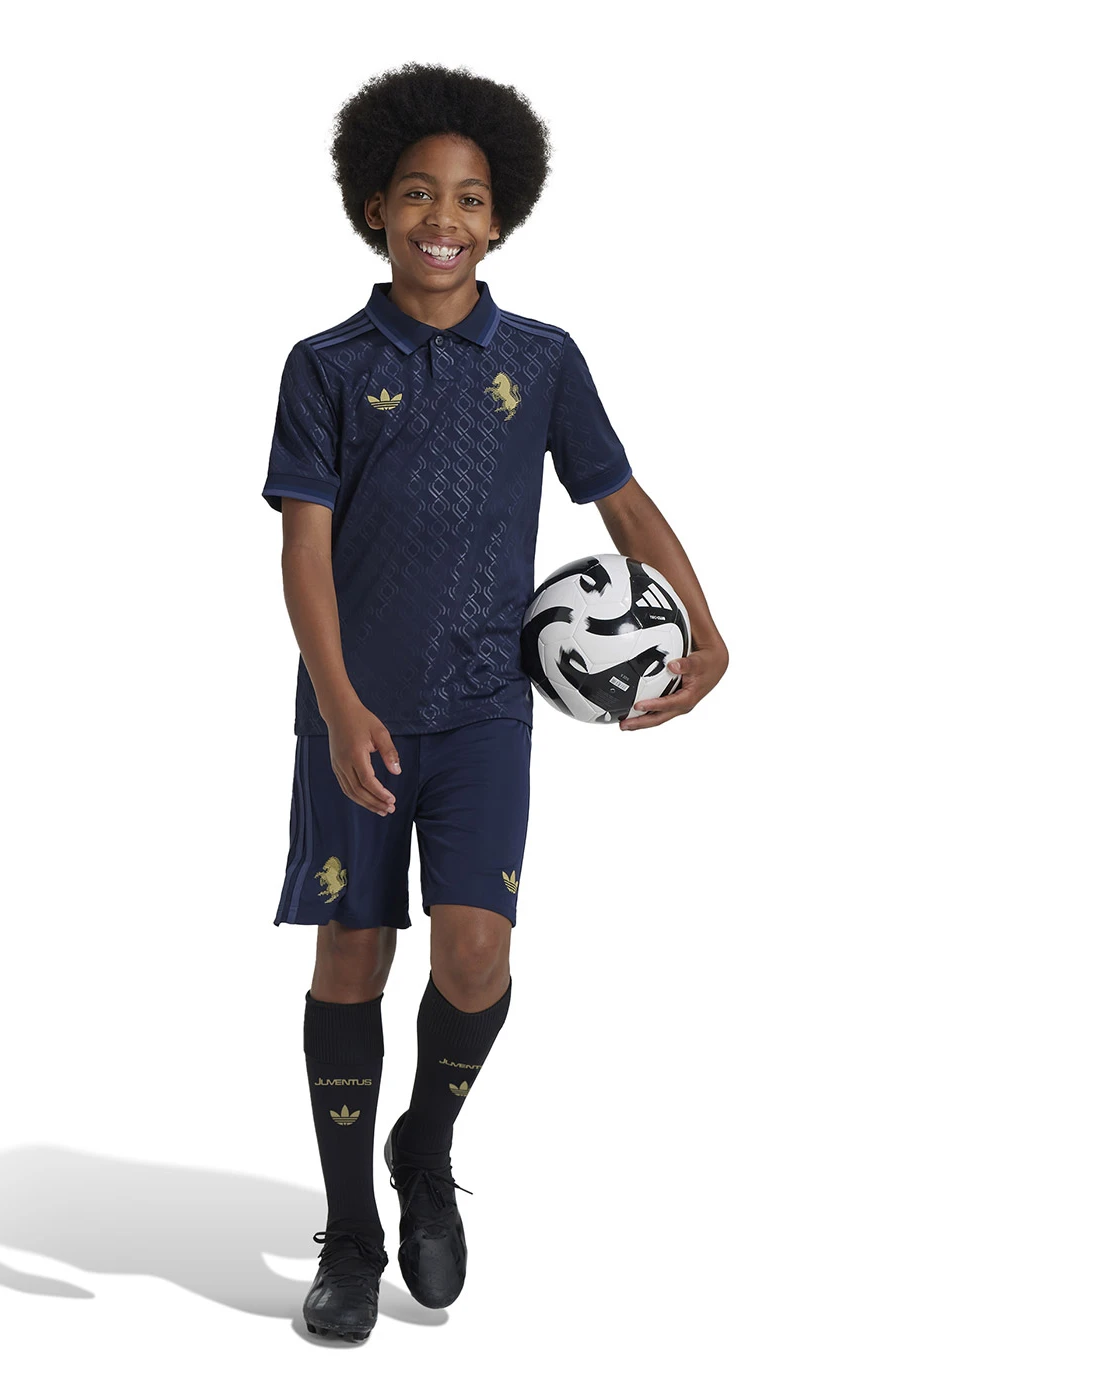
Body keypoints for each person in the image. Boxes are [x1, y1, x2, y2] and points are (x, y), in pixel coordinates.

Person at [262, 62, 729, 1342]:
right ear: (373, 207)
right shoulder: (324, 366)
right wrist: (336, 697)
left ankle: (424, 1142)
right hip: (353, 713)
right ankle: (349, 1232)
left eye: (469, 198)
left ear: (500, 218)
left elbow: (619, 500)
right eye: (417, 193)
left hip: (482, 709)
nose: (443, 217)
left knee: (473, 954)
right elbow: (303, 547)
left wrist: (704, 629)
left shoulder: (541, 359)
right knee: (352, 954)